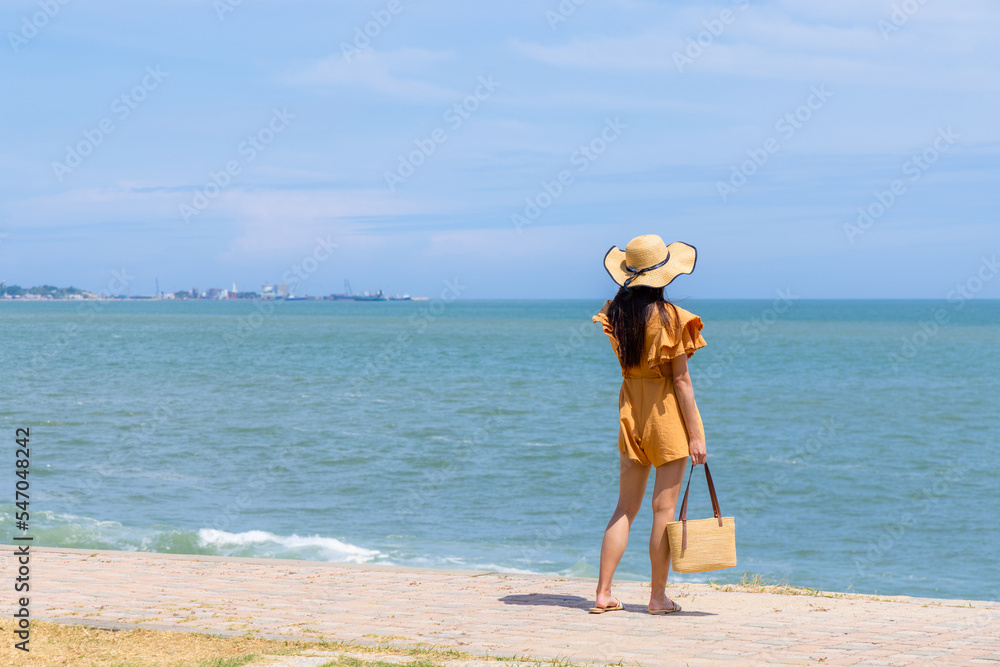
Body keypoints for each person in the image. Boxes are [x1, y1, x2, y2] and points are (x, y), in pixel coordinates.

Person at [589, 234, 707, 615]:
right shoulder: (673, 319)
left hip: (629, 411)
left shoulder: (614, 314)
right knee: (663, 511)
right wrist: (697, 436)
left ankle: (603, 593)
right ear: (664, 275)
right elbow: (681, 382)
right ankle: (657, 598)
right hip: (663, 415)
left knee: (624, 508)